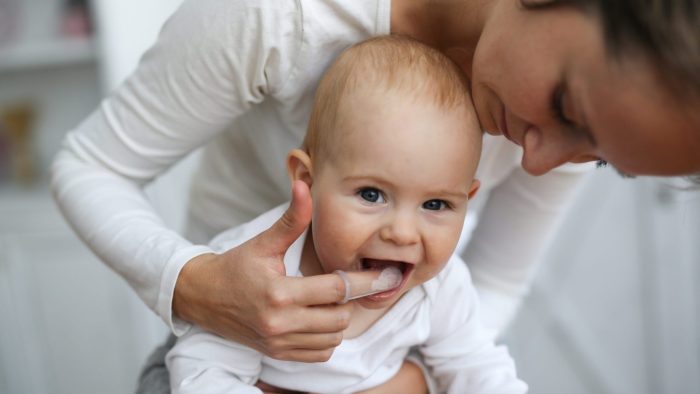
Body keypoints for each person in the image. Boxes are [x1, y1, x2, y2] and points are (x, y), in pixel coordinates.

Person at [50, 0, 700, 392]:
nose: (540, 161)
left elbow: (490, 291)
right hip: (228, 346)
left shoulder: (564, 139)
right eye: (565, 107)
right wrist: (193, 285)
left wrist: (400, 383)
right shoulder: (283, 16)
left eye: (602, 160)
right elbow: (89, 166)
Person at [165, 35, 528, 394]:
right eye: (372, 195)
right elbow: (202, 375)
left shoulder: (442, 287)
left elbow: (475, 366)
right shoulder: (256, 273)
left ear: (468, 199)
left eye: (435, 205)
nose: (402, 233)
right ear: (308, 180)